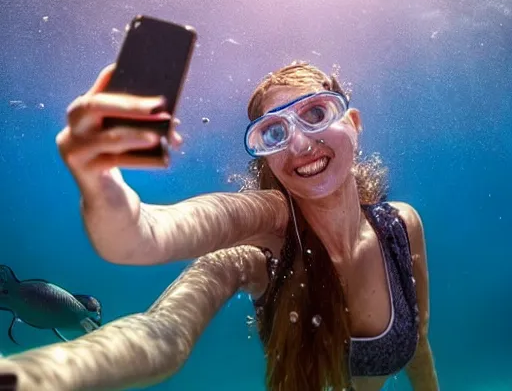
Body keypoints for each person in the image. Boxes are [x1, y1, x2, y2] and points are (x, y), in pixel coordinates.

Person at [0, 61, 439, 391]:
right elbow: (157, 305)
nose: (301, 143)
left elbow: (417, 343)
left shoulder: (400, 226)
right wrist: (102, 187)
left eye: (316, 113)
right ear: (264, 153)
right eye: (273, 133)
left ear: (354, 124)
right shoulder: (259, 244)